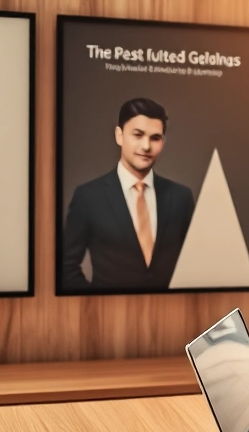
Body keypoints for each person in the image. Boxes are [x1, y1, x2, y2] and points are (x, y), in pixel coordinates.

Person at [60, 98, 195, 291]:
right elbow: (66, 267)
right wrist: (97, 304)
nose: (146, 146)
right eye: (138, 135)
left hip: (170, 314)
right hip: (107, 317)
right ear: (119, 135)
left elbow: (194, 263)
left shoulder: (181, 197)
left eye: (155, 138)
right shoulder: (88, 197)